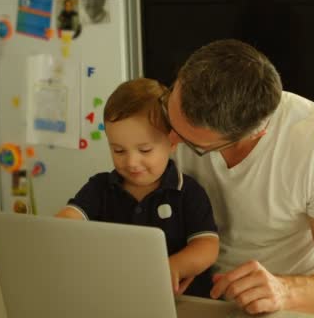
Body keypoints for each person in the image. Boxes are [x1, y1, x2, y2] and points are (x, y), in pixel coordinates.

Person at [163, 39, 314, 316]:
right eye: (168, 111)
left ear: (254, 135)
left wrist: (284, 291)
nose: (168, 140)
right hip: (202, 299)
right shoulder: (169, 121)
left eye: (192, 144)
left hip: (295, 305)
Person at [56, 78, 219, 297]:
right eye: (119, 151)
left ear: (172, 143)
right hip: (116, 298)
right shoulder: (99, 188)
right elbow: (69, 218)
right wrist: (58, 228)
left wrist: (172, 267)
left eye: (144, 150)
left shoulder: (187, 192)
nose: (131, 162)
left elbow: (207, 247)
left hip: (181, 304)